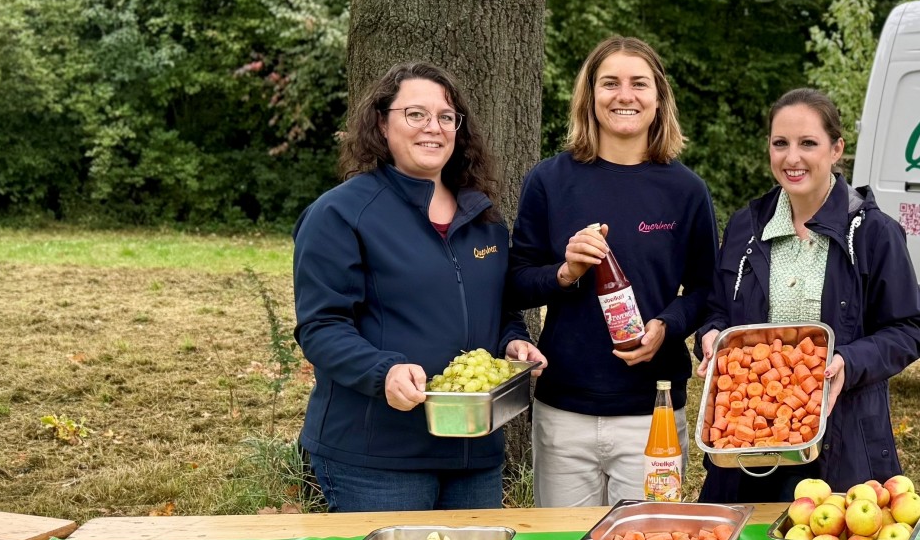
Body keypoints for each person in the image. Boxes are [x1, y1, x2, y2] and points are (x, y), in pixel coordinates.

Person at [294, 62, 546, 511]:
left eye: (446, 117)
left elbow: (500, 309)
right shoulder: (341, 214)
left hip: (474, 452)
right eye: (416, 114)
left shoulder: (482, 216)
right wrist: (383, 371)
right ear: (381, 123)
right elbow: (321, 326)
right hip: (379, 457)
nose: (433, 127)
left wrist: (513, 342)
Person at [509, 36, 717, 506]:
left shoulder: (686, 190)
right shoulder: (549, 181)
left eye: (639, 83)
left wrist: (667, 326)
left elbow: (708, 290)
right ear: (590, 95)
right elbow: (517, 283)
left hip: (653, 411)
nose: (625, 96)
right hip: (564, 411)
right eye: (610, 83)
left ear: (659, 97)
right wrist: (565, 272)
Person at [698, 88, 920, 503]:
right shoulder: (745, 228)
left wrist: (848, 362)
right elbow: (718, 308)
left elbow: (907, 330)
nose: (792, 158)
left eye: (808, 143)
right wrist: (712, 336)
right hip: (747, 439)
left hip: (843, 442)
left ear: (836, 149)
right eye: (780, 143)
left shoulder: (874, 233)